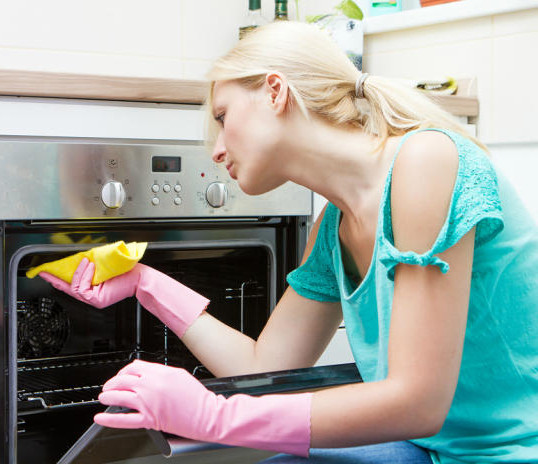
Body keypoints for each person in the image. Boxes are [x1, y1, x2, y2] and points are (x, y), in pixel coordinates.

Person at [40, 21, 538, 464]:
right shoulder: (334, 228)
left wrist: (214, 416)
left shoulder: (426, 163)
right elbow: (264, 367)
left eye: (221, 116)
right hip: (433, 450)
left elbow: (418, 402)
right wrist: (145, 283)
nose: (215, 150)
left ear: (275, 92)